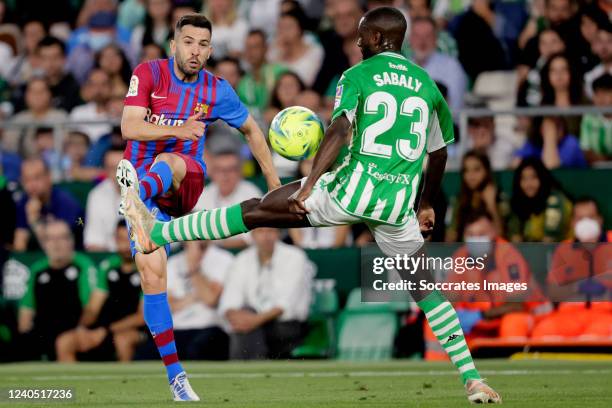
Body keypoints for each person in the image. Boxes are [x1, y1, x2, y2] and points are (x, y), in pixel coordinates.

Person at [124, 7, 501, 403]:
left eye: (361, 36)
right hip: (395, 206)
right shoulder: (427, 84)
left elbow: (340, 129)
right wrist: (425, 204)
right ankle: (473, 378)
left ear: (375, 39)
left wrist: (310, 185)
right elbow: (438, 152)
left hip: (345, 191)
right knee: (426, 289)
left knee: (257, 211)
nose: (356, 42)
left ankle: (159, 231)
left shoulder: (357, 75)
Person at [115, 14, 280, 401]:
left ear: (210, 49)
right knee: (153, 278)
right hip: (146, 192)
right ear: (173, 44)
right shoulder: (149, 73)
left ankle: (135, 198)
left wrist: (273, 181)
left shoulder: (215, 89)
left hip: (182, 180)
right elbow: (129, 127)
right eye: (188, 42)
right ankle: (177, 378)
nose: (196, 51)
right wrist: (177, 128)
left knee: (168, 161)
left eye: (203, 44)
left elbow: (252, 129)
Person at [56, 221, 144, 362]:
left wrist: (107, 330)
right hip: (104, 330)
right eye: (121, 239)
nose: (126, 245)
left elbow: (142, 317)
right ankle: (76, 383)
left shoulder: (147, 268)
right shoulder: (107, 267)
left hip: (135, 332)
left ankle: (125, 382)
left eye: (131, 238)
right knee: (65, 342)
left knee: (122, 340)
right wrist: (82, 328)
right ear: (115, 240)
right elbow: (92, 308)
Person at [219, 227, 312, 359]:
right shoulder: (242, 259)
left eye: (271, 231)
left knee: (248, 330)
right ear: (252, 235)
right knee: (245, 320)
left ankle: (242, 370)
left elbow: (285, 304)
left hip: (287, 325)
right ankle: (251, 369)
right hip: (252, 320)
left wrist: (252, 321)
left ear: (278, 234)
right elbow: (230, 299)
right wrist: (237, 317)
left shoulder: (295, 256)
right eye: (260, 231)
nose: (265, 236)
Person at [531, 197, 612, 339]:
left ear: (600, 220)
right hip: (569, 315)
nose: (586, 223)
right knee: (542, 332)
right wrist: (577, 287)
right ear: (573, 223)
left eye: (591, 218)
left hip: (606, 315)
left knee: (593, 337)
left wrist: (605, 286)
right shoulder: (564, 249)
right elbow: (553, 292)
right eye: (580, 219)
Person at [16, 219, 95, 361]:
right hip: (41, 333)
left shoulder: (83, 266)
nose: (56, 244)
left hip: (72, 332)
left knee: (64, 343)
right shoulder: (37, 270)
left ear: (71, 241)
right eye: (50, 239)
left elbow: (90, 308)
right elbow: (26, 310)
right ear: (44, 243)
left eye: (61, 238)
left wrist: (80, 329)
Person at [164, 240, 233, 360]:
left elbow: (210, 300)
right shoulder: (172, 263)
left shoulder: (224, 259)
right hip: (177, 328)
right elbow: (168, 307)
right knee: (148, 353)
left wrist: (193, 267)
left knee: (196, 349)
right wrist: (196, 295)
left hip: (211, 326)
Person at [193, 149, 262, 249]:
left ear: (240, 172)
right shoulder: (204, 194)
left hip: (247, 254)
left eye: (231, 169)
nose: (225, 175)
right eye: (220, 170)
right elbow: (196, 232)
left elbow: (251, 238)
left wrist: (215, 242)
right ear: (212, 173)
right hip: (210, 256)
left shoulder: (252, 193)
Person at [14, 158, 83, 251]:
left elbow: (57, 250)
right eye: (27, 180)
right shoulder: (24, 202)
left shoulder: (66, 203)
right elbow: (19, 245)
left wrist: (34, 221)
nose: (32, 184)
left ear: (49, 177)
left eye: (37, 178)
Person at [409, 16, 467, 113]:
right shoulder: (403, 66)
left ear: (435, 39)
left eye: (427, 36)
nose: (422, 42)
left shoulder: (451, 66)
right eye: (417, 36)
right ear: (410, 39)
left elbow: (455, 108)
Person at [507, 157, 573, 242]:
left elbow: (549, 241)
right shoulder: (520, 201)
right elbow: (515, 238)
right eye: (524, 179)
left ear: (542, 178)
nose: (528, 184)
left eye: (533, 177)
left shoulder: (555, 201)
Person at [446, 151, 506, 242]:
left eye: (476, 169)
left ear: (486, 170)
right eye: (466, 170)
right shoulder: (459, 200)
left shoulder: (499, 197)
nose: (471, 175)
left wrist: (491, 205)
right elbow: (450, 238)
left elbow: (502, 237)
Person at [237, 29, 286, 118]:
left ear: (266, 48)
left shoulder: (280, 73)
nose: (250, 52)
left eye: (255, 47)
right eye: (248, 47)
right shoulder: (243, 82)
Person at [267, 9, 323, 87]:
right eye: (280, 28)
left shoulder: (315, 52)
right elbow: (269, 83)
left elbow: (307, 82)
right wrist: (279, 55)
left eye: (288, 27)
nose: (284, 32)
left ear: (300, 29)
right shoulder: (274, 53)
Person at [84, 147, 123, 252]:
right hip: (112, 260)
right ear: (106, 170)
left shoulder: (152, 190)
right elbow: (93, 243)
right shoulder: (97, 195)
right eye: (113, 168)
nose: (119, 173)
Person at [515, 116, 587, 169]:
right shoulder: (533, 143)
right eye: (549, 126)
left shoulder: (570, 143)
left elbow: (551, 167)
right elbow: (515, 165)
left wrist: (550, 136)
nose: (554, 129)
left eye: (558, 125)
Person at [36, 36, 82, 112]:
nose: (50, 63)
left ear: (64, 58)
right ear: (38, 60)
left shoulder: (74, 87)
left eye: (55, 57)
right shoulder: (31, 87)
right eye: (45, 58)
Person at [69, 68, 112, 143]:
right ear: (88, 88)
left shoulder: (121, 113)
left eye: (103, 84)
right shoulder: (78, 113)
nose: (99, 89)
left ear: (111, 87)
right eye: (94, 85)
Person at [580, 74, 612, 164]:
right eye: (597, 93)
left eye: (605, 92)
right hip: (595, 169)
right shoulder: (588, 118)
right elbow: (586, 150)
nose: (601, 98)